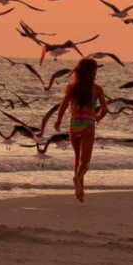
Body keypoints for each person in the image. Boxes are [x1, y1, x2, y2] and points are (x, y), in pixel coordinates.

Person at [53, 57, 108, 202]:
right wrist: (97, 118)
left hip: (75, 125)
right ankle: (77, 179)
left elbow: (63, 106)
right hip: (88, 124)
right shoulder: (97, 89)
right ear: (93, 72)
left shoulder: (72, 88)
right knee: (85, 162)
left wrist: (58, 120)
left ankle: (79, 192)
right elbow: (105, 110)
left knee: (77, 158)